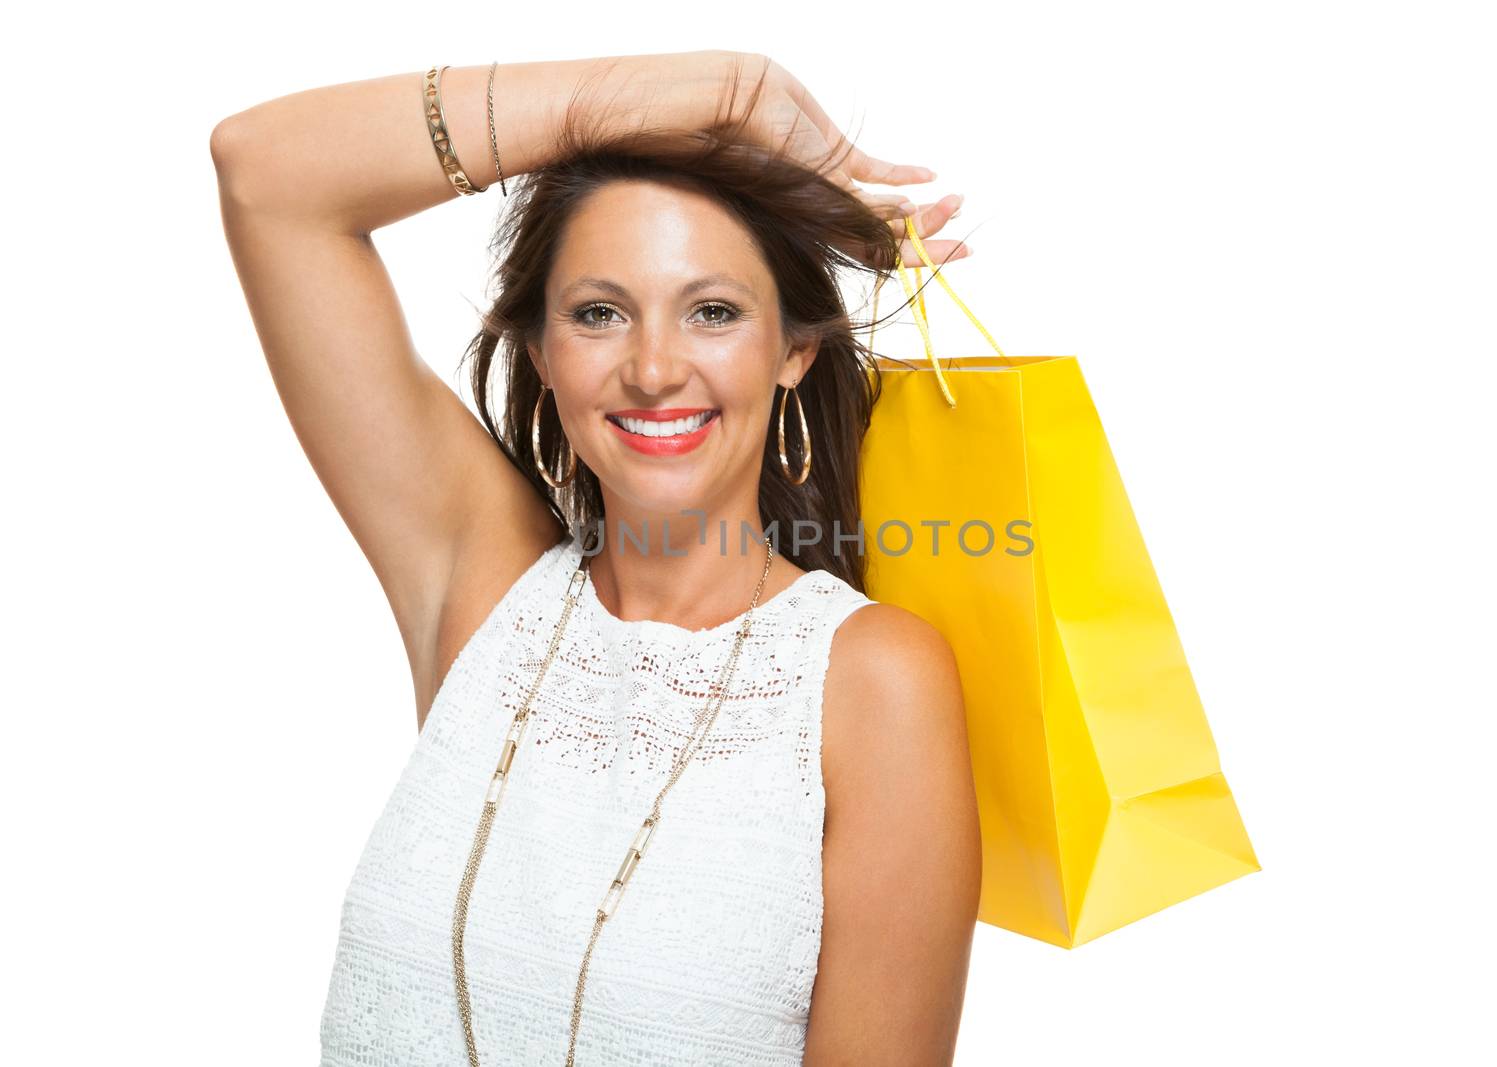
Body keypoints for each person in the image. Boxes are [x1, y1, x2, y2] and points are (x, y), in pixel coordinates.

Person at [211, 50, 982, 1066]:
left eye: (713, 311)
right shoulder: (486, 593)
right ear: (541, 350)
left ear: (793, 348)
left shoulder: (870, 681)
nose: (655, 368)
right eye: (598, 311)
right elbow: (265, 173)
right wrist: (718, 94)